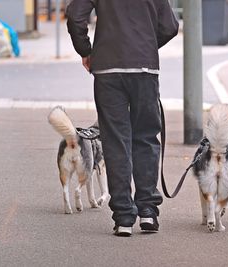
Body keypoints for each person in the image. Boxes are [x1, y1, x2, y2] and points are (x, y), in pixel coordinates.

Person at [66, 0, 179, 236]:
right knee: (146, 139)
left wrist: (86, 51)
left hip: (108, 69)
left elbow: (76, 17)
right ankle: (147, 212)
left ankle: (124, 218)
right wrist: (144, 45)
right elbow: (169, 27)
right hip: (144, 70)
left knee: (115, 141)